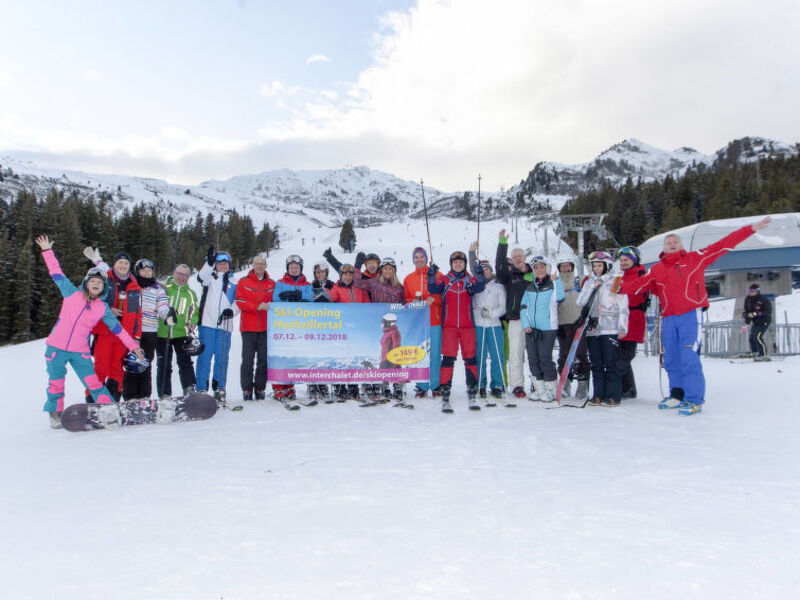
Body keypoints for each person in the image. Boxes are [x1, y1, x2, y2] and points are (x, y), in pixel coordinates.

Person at [620, 216, 771, 415]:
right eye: (668, 243)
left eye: (675, 242)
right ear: (663, 248)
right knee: (671, 358)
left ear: (681, 245)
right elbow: (637, 286)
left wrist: (750, 229)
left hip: (690, 315)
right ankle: (677, 394)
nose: (672, 244)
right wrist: (612, 287)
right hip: (669, 317)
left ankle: (694, 399)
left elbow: (723, 245)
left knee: (688, 356)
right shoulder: (656, 269)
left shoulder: (695, 258)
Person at [36, 235, 144, 428]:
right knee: (56, 383)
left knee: (94, 383)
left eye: (100, 283)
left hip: (80, 352)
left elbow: (119, 330)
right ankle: (55, 413)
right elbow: (56, 272)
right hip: (56, 348)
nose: (96, 283)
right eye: (93, 281)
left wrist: (134, 347)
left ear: (103, 288)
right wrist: (47, 251)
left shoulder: (102, 308)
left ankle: (109, 408)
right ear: (86, 282)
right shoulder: (71, 293)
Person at [427, 251, 486, 412]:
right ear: (451, 264)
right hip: (449, 327)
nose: (458, 264)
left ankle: (472, 390)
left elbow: (480, 286)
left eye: (461, 262)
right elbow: (432, 288)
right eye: (455, 262)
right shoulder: (445, 279)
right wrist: (431, 275)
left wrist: (479, 273)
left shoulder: (470, 279)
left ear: (464, 264)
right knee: (448, 359)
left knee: (470, 358)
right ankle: (445, 391)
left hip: (467, 326)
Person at [82, 246, 143, 401]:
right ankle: (92, 399)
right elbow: (92, 296)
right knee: (101, 367)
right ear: (114, 264)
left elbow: (137, 314)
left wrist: (136, 336)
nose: (123, 266)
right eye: (120, 262)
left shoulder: (134, 285)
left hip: (125, 333)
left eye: (126, 263)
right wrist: (109, 308)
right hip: (104, 330)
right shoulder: (105, 277)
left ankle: (113, 399)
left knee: (117, 368)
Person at [577, 251, 629, 406]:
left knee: (611, 363)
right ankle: (598, 394)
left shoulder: (615, 281)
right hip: (594, 329)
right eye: (594, 266)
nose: (597, 268)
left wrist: (622, 327)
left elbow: (623, 305)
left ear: (607, 266)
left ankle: (613, 395)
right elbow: (580, 302)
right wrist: (591, 287)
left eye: (600, 265)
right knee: (596, 363)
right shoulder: (589, 282)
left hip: (610, 327)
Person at [354, 256, 407, 403]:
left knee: (395, 356)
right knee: (383, 357)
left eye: (390, 269)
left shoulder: (399, 287)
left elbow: (405, 305)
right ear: (381, 270)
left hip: (394, 327)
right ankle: (384, 387)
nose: (388, 271)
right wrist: (357, 267)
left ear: (394, 271)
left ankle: (397, 388)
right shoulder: (374, 282)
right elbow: (357, 283)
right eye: (385, 269)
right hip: (380, 326)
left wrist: (418, 306)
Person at [196, 246, 239, 404]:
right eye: (219, 263)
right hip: (207, 324)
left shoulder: (235, 282)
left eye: (225, 263)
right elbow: (201, 277)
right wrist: (209, 263)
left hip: (225, 326)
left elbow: (239, 301)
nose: (222, 266)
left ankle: (220, 387)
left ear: (229, 265)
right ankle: (201, 387)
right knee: (204, 357)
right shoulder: (210, 279)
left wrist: (231, 311)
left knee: (222, 358)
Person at [520, 256, 565, 402]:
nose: (539, 270)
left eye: (542, 267)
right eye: (536, 268)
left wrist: (556, 281)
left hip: (548, 327)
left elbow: (560, 297)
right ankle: (540, 389)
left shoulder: (552, 284)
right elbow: (523, 307)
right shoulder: (530, 286)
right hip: (531, 329)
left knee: (545, 358)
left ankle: (551, 389)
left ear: (547, 268)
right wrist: (526, 324)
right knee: (533, 359)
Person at [123, 258, 169, 399]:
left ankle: (144, 395)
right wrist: (99, 261)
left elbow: (162, 305)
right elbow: (117, 272)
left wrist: (166, 313)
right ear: (138, 271)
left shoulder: (157, 289)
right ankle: (130, 396)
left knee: (145, 363)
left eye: (150, 270)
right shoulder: (131, 284)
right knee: (131, 362)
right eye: (144, 270)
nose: (148, 273)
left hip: (149, 331)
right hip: (132, 330)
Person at [495, 229, 532, 399]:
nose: (518, 258)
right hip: (516, 320)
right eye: (514, 256)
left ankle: (540, 382)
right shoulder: (509, 276)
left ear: (525, 257)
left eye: (520, 255)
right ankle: (517, 385)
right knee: (515, 354)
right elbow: (499, 267)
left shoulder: (535, 274)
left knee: (536, 354)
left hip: (534, 321)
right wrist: (502, 244)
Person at [403, 246, 443, 398]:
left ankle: (436, 384)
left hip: (434, 320)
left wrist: (434, 300)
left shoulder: (437, 275)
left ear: (426, 258)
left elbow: (442, 296)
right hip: (418, 323)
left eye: (421, 257)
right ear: (413, 260)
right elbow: (405, 299)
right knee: (419, 353)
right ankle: (421, 385)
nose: (419, 259)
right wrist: (412, 301)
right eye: (416, 257)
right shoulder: (408, 278)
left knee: (434, 353)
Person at [272, 255, 313, 402]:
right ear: (287, 269)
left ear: (300, 269)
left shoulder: (307, 284)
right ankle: (278, 387)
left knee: (292, 355)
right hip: (283, 324)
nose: (294, 270)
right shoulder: (281, 283)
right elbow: (276, 298)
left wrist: (299, 295)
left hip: (299, 324)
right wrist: (290, 295)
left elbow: (311, 298)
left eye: (296, 267)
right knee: (281, 355)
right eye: (291, 268)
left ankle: (289, 385)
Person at [156, 263, 199, 399]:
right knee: (164, 364)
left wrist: (193, 322)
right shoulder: (164, 288)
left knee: (185, 362)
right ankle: (164, 393)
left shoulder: (191, 294)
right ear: (174, 274)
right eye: (179, 274)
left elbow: (195, 312)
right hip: (163, 332)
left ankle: (189, 389)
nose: (182, 277)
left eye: (185, 275)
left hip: (181, 333)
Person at [235, 255, 274, 401]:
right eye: (257, 264)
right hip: (248, 328)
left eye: (262, 264)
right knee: (247, 360)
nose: (259, 266)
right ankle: (246, 389)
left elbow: (275, 302)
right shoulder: (243, 281)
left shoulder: (271, 283)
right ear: (253, 265)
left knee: (263, 360)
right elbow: (240, 301)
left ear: (265, 265)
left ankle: (260, 388)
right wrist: (257, 307)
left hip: (265, 328)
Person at [470, 253, 508, 405]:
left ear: (491, 271)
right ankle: (481, 384)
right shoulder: (475, 286)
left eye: (487, 269)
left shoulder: (498, 287)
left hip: (494, 324)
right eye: (482, 269)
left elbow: (503, 307)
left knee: (497, 355)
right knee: (479, 356)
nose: (485, 272)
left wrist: (491, 313)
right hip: (479, 324)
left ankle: (497, 384)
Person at [329, 262, 370, 400]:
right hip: (342, 330)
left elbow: (368, 306)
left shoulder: (359, 288)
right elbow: (329, 300)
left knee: (354, 358)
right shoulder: (336, 288)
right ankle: (340, 388)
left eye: (350, 274)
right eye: (344, 274)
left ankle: (353, 388)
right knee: (341, 358)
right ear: (340, 275)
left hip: (357, 329)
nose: (347, 277)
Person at [555, 258, 590, 400]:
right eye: (562, 266)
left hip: (578, 322)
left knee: (581, 353)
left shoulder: (580, 280)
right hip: (563, 323)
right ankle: (566, 381)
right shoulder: (556, 283)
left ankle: (583, 383)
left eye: (568, 266)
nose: (565, 269)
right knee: (564, 355)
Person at [616, 246, 649, 398]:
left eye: (626, 260)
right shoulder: (618, 275)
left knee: (625, 355)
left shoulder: (641, 273)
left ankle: (625, 388)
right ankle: (627, 387)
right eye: (621, 260)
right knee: (618, 354)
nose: (623, 262)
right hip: (619, 319)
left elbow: (638, 292)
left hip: (634, 317)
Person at [308, 260, 335, 400]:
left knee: (326, 354)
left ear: (326, 273)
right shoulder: (310, 286)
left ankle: (324, 383)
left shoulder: (333, 285)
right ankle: (312, 384)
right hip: (314, 324)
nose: (320, 274)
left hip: (329, 324)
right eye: (317, 272)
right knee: (314, 354)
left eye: (322, 272)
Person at [743, 283, 772, 361]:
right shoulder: (748, 299)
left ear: (757, 291)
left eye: (752, 291)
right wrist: (747, 316)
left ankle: (763, 354)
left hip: (764, 320)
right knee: (752, 337)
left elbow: (768, 311)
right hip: (756, 321)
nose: (751, 292)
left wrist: (756, 313)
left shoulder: (763, 300)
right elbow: (746, 311)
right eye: (749, 291)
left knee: (758, 336)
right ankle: (754, 352)